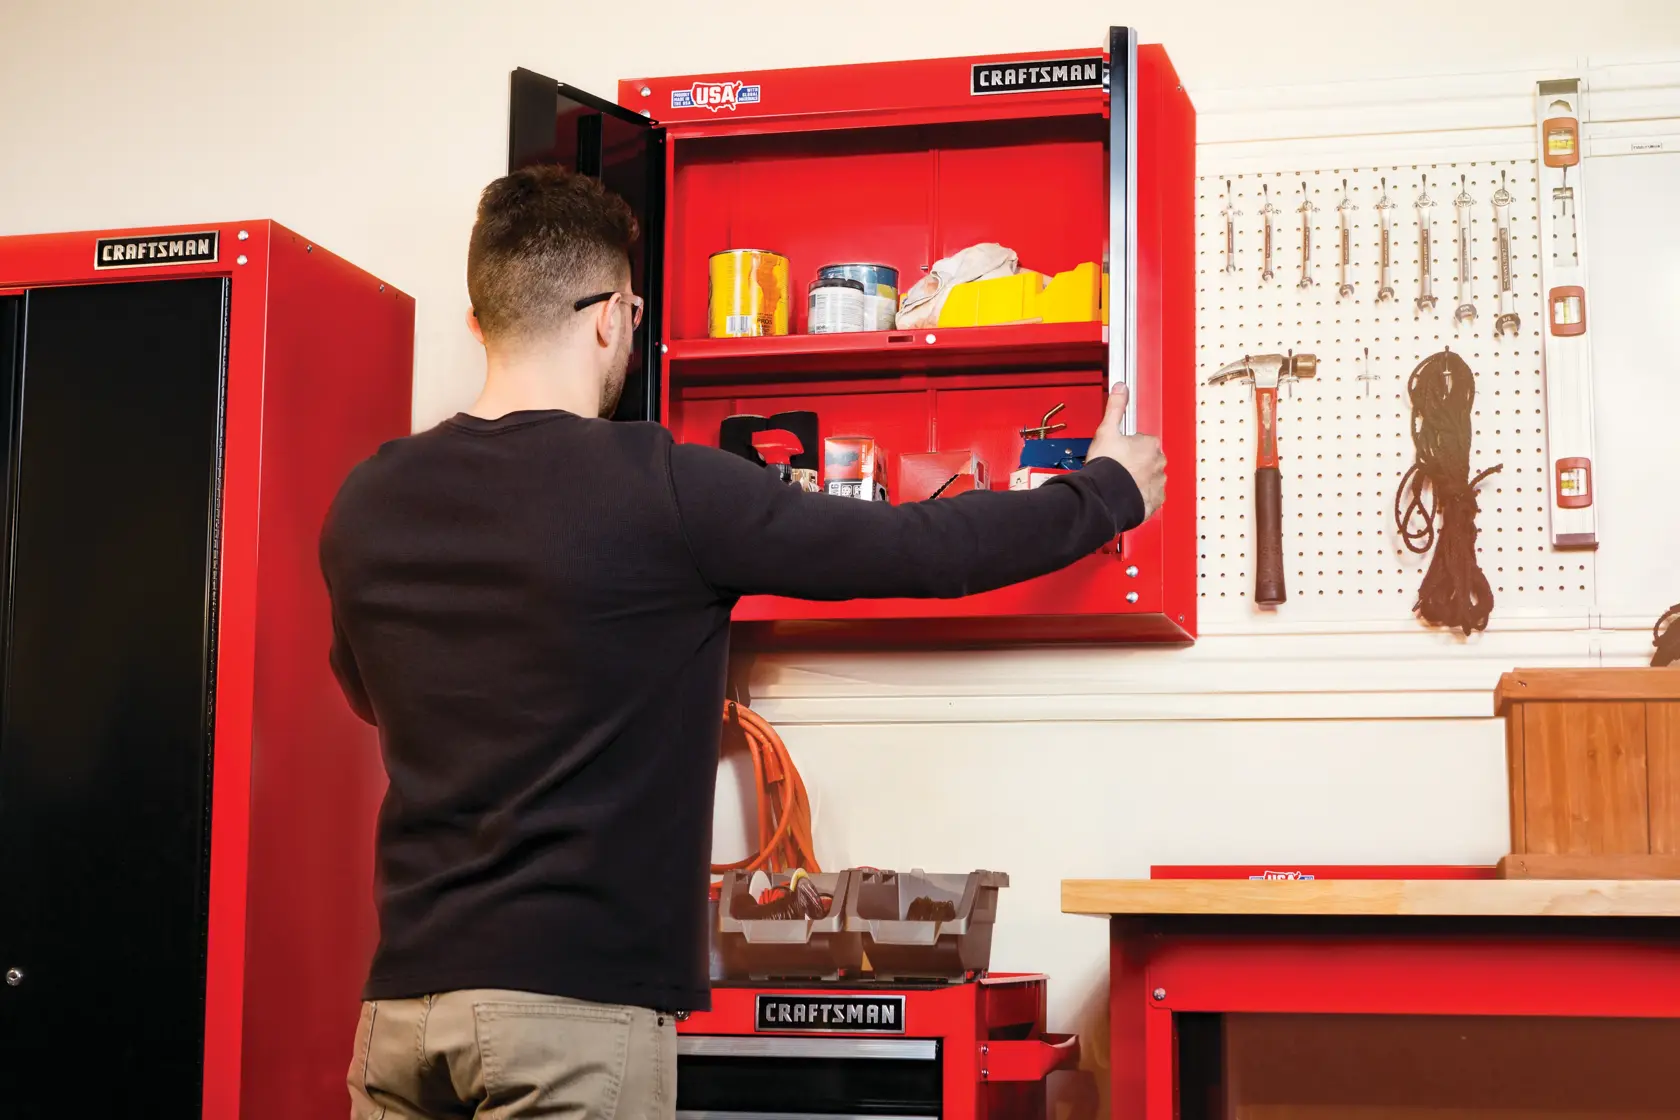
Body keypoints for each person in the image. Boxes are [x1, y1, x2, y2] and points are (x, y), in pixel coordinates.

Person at [321, 165, 1167, 1120]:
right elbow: (921, 548)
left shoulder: (367, 502)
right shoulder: (664, 489)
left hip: (400, 1017)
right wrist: (1107, 491)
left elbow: (373, 695)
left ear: (480, 323)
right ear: (612, 319)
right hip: (571, 1014)